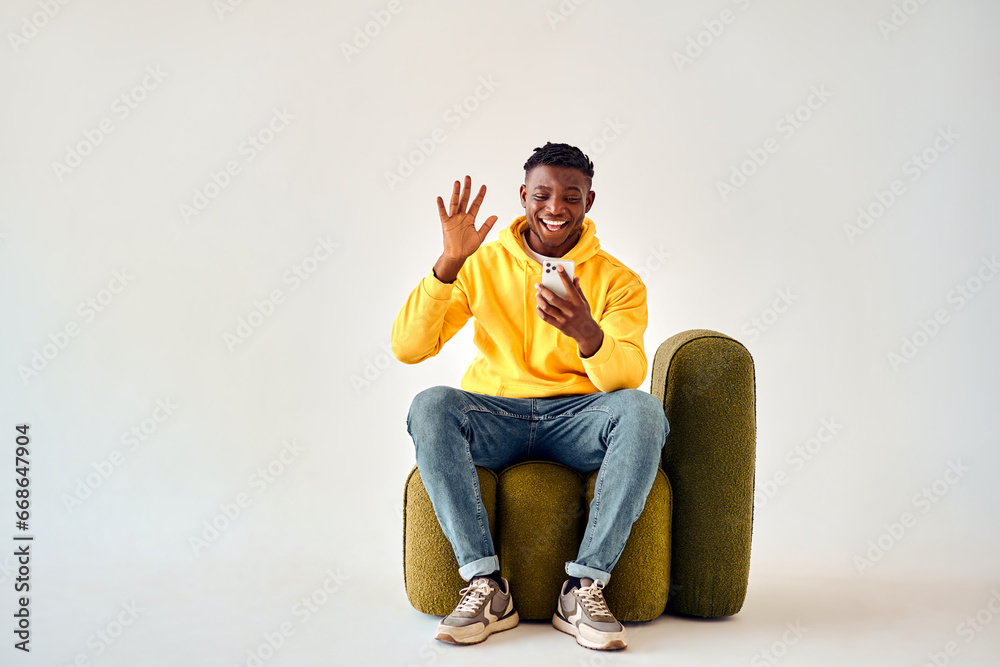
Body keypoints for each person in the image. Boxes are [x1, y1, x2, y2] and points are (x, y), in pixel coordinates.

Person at [392, 142, 668, 650]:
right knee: (430, 404)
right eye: (542, 194)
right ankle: (486, 585)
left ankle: (584, 585)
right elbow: (408, 348)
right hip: (495, 413)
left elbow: (626, 375)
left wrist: (589, 335)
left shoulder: (618, 281)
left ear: (589, 201)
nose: (555, 208)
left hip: (576, 419)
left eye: (571, 196)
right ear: (523, 196)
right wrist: (449, 263)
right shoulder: (479, 264)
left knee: (644, 412)